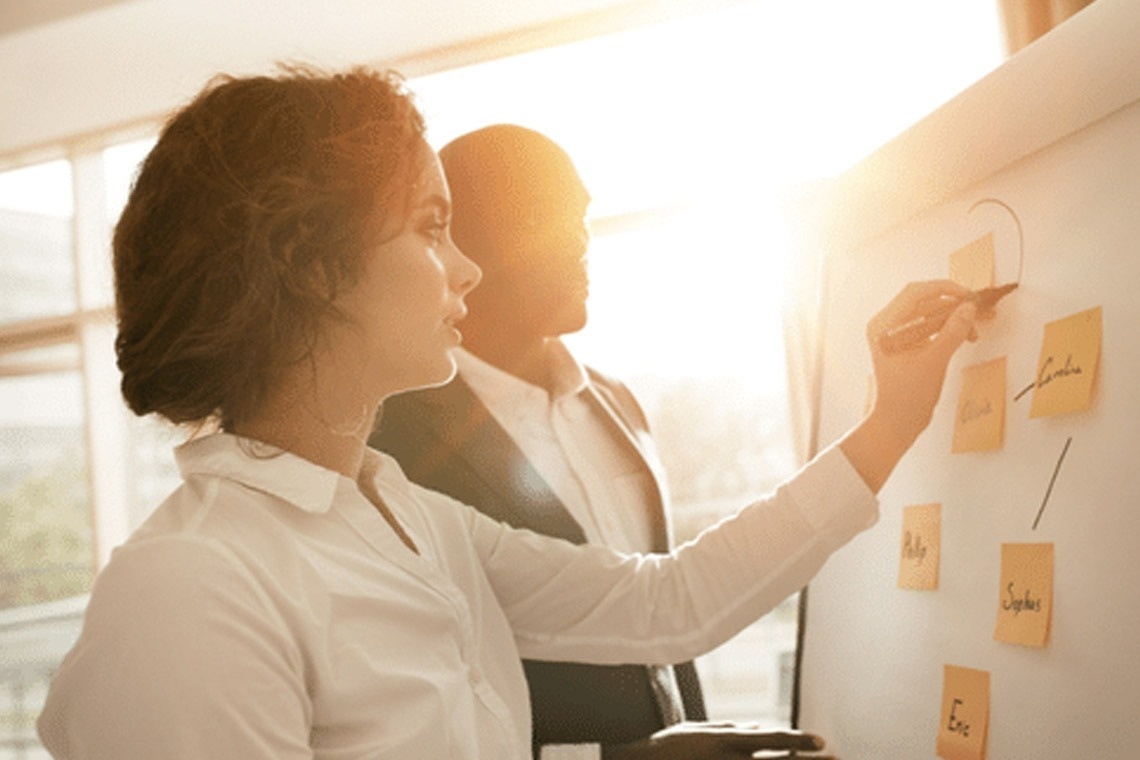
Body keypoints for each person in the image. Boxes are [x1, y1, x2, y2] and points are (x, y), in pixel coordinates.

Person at [36, 64, 978, 760]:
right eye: (430, 227)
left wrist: (889, 419)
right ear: (314, 269)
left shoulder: (412, 521)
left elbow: (665, 602)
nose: (469, 269)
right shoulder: (192, 589)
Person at [369, 123, 794, 760]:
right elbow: (413, 705)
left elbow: (665, 604)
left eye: (583, 216)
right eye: (549, 216)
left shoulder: (619, 404)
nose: (580, 241)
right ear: (464, 236)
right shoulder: (392, 441)